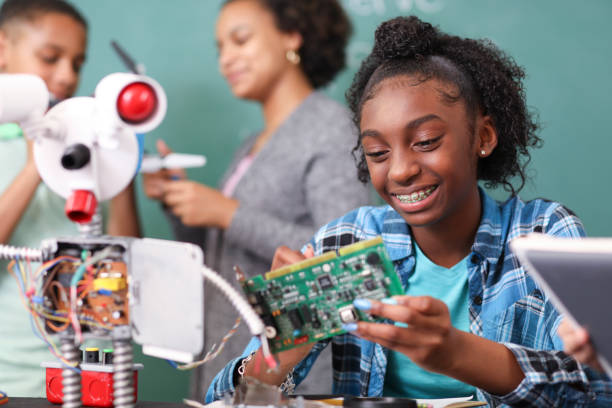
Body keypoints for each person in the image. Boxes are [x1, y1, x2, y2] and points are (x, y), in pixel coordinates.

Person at [207, 16, 612, 406]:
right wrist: (284, 346)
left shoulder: (543, 233)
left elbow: (596, 391)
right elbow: (224, 401)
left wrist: (457, 352)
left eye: (426, 141)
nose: (400, 170)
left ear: (483, 137)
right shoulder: (346, 243)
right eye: (378, 153)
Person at [143, 0, 370, 398]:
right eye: (220, 48)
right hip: (232, 359)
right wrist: (180, 203)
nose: (226, 59)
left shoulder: (329, 129)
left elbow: (342, 260)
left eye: (240, 40)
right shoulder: (253, 144)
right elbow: (224, 254)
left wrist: (228, 213)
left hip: (292, 377)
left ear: (291, 35)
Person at [0, 0, 140, 396]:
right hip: (12, 380)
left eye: (77, 63)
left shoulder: (85, 146)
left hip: (97, 375)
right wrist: (35, 167)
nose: (66, 76)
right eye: (50, 57)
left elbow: (126, 262)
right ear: (2, 49)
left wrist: (121, 170)